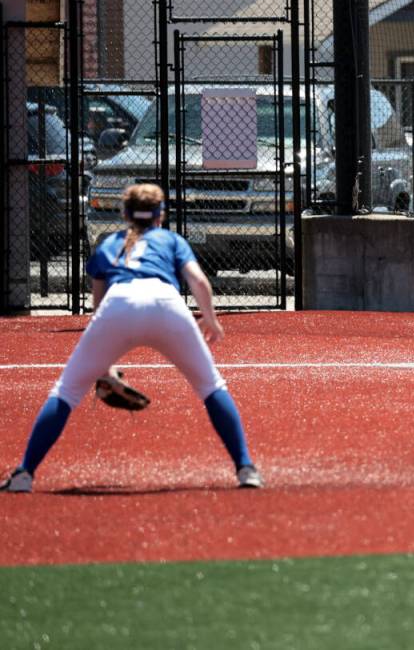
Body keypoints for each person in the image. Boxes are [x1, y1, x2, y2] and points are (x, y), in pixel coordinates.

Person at [1, 184, 262, 493]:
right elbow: (199, 282)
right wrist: (211, 318)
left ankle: (24, 475)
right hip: (167, 305)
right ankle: (246, 469)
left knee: (67, 392)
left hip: (118, 304)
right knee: (211, 386)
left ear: (124, 214)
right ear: (160, 216)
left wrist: (104, 363)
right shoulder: (170, 239)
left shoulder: (109, 243)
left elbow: (99, 306)